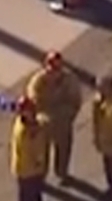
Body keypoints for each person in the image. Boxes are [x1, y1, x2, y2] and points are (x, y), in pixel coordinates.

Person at [28, 52, 84, 183]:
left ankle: (62, 172)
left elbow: (75, 101)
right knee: (41, 152)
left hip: (62, 122)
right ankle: (40, 176)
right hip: (44, 124)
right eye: (51, 67)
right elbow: (32, 101)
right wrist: (42, 117)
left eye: (56, 68)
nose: (53, 72)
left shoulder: (69, 80)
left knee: (64, 150)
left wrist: (65, 116)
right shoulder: (38, 81)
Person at [10, 97, 53, 201]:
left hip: (34, 166)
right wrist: (37, 161)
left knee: (36, 190)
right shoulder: (25, 132)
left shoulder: (29, 124)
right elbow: (28, 150)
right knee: (28, 192)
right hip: (27, 168)